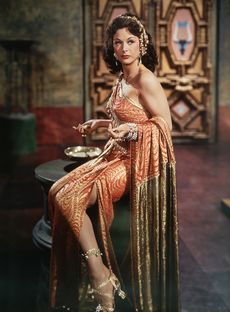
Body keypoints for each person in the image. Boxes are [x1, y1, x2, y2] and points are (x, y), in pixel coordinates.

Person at [48, 13, 180, 312]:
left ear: (142, 44)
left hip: (135, 163)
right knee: (57, 190)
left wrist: (133, 131)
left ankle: (100, 276)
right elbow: (125, 116)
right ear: (112, 47)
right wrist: (99, 123)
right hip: (113, 154)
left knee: (68, 196)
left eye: (131, 41)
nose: (124, 48)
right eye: (118, 42)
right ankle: (100, 275)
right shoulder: (122, 77)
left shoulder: (146, 79)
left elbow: (165, 127)